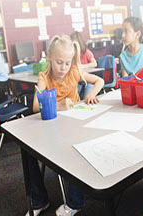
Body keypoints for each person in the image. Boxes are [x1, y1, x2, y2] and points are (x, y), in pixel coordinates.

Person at [29, 34, 104, 216]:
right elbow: (35, 106)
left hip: (74, 126)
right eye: (59, 62)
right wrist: (59, 105)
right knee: (28, 152)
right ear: (50, 58)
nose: (63, 68)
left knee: (77, 147)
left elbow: (99, 81)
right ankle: (40, 200)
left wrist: (91, 94)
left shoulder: (74, 72)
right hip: (51, 128)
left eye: (67, 63)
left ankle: (75, 203)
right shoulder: (44, 77)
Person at [70, 31, 96, 99]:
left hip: (88, 80)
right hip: (78, 81)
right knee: (74, 97)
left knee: (86, 98)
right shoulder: (72, 55)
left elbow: (94, 63)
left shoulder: (86, 52)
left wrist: (83, 66)